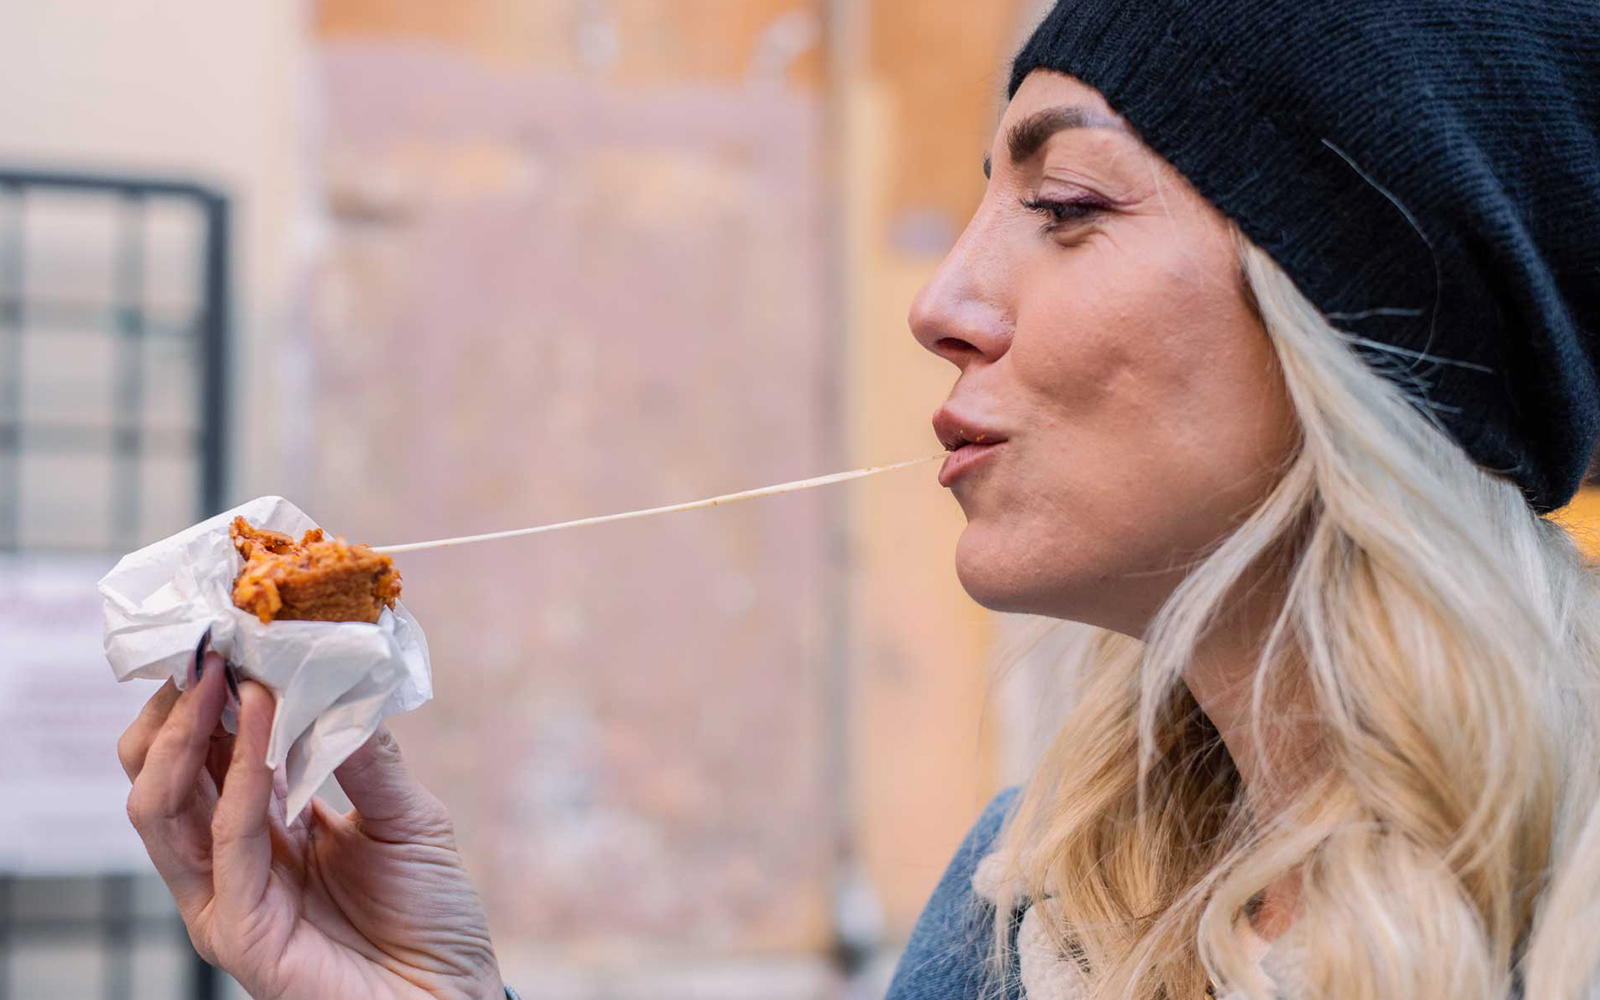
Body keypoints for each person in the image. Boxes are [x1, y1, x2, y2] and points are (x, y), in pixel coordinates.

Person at [117, 0, 1600, 997]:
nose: (944, 299)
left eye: (1067, 207)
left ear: (1369, 317)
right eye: (970, 209)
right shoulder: (1023, 909)